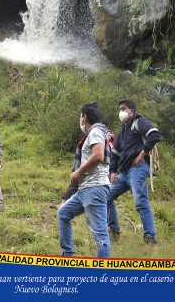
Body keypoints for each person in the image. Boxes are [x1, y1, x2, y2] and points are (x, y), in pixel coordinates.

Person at [57, 102, 111, 258]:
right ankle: (68, 255)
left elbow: (98, 156)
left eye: (80, 116)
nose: (80, 119)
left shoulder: (95, 132)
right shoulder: (93, 134)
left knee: (100, 233)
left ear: (84, 117)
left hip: (94, 188)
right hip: (85, 189)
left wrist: (79, 171)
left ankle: (103, 271)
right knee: (63, 213)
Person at [107, 99, 161, 244]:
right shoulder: (123, 129)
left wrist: (143, 152)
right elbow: (116, 153)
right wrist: (112, 171)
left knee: (141, 203)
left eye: (124, 109)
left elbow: (155, 135)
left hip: (138, 167)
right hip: (124, 172)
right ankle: (114, 231)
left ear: (131, 111)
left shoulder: (140, 121)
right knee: (106, 197)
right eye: (119, 109)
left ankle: (150, 239)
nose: (121, 112)